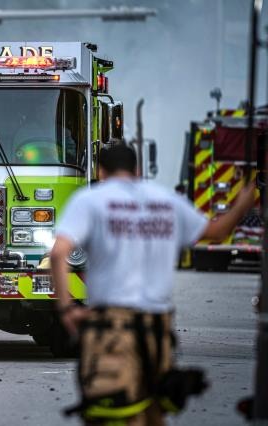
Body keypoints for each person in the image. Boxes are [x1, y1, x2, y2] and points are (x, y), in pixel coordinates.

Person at [50, 144, 257, 425]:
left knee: (114, 412)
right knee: (154, 412)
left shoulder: (91, 200)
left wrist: (66, 309)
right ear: (137, 171)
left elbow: (59, 252)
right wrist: (243, 204)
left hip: (112, 330)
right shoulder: (166, 201)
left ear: (100, 171)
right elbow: (218, 232)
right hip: (157, 331)